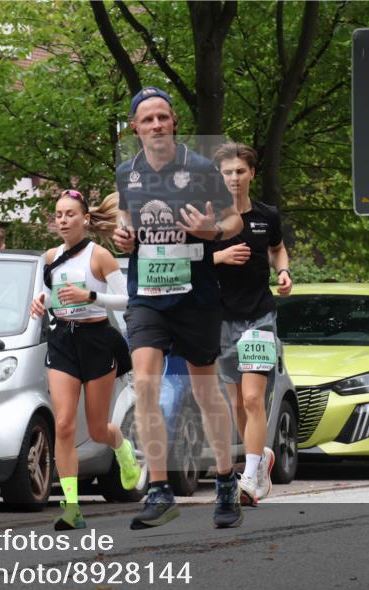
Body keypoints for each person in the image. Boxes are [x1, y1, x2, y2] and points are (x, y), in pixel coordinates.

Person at [112, 87, 245, 529]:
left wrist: (213, 230)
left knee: (206, 392)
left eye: (162, 118)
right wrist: (123, 236)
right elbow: (126, 222)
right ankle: (159, 488)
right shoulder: (125, 173)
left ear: (173, 123)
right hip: (147, 297)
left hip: (196, 297)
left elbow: (235, 221)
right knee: (145, 385)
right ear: (135, 127)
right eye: (146, 119)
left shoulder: (202, 169)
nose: (155, 125)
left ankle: (226, 481)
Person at [29, 190, 141, 530]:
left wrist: (90, 296)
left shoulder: (100, 256)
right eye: (58, 214)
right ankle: (72, 508)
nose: (62, 220)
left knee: (95, 428)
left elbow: (127, 300)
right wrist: (40, 303)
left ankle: (122, 450)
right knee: (63, 424)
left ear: (85, 219)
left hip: (96, 341)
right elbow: (52, 297)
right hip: (63, 340)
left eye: (69, 214)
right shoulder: (50, 256)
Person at [212, 143, 292, 506]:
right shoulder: (208, 218)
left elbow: (276, 248)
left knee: (252, 397)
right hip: (222, 317)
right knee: (238, 406)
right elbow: (191, 260)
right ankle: (261, 461)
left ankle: (250, 476)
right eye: (227, 172)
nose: (233, 178)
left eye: (240, 172)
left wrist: (284, 271)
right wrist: (221, 255)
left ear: (251, 174)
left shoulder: (266, 215)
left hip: (259, 315)